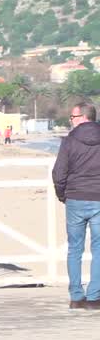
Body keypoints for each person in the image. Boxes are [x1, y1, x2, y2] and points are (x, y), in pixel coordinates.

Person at [52, 102, 100, 310]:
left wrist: (62, 194)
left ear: (82, 117)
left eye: (72, 117)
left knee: (74, 249)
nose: (70, 121)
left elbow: (59, 172)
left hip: (75, 198)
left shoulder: (69, 141)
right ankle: (94, 296)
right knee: (99, 249)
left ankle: (76, 296)